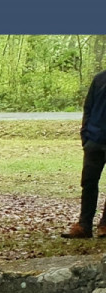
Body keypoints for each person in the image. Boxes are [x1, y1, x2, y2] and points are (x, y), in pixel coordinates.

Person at [63, 68, 106, 239]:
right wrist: (85, 135)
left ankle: (104, 224)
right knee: (88, 182)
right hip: (95, 140)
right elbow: (88, 107)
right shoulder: (99, 79)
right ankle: (84, 225)